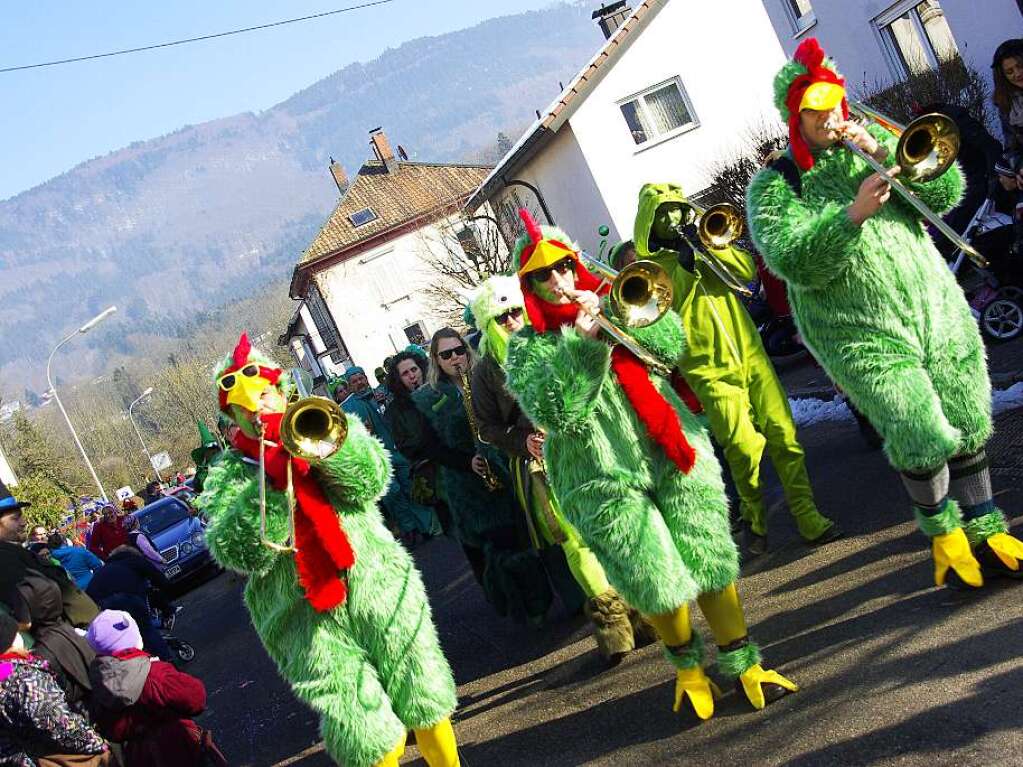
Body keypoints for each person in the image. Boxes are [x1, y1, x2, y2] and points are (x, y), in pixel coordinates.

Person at [746, 38, 1023, 588]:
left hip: (930, 302)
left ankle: (986, 524)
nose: (830, 118)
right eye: (816, 110)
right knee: (915, 423)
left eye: (835, 105)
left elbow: (945, 192)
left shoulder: (874, 143)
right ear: (794, 116)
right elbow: (791, 260)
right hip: (853, 326)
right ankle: (943, 532)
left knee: (967, 414)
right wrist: (850, 216)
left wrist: (883, 154)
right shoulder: (776, 183)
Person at [505, 211, 797, 719]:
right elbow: (559, 410)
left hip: (671, 444)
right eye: (543, 276)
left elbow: (670, 346)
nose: (559, 281)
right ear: (529, 285)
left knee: (709, 552)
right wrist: (584, 344)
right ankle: (687, 667)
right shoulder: (526, 348)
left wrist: (616, 317)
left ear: (577, 266)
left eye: (564, 268)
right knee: (651, 574)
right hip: (599, 475)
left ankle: (744, 662)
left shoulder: (616, 298)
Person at [196, 333, 460, 767]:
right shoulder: (228, 475)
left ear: (279, 391)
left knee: (423, 692)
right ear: (233, 418)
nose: (258, 408)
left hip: (376, 579)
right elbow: (239, 552)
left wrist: (321, 450)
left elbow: (372, 479)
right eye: (246, 406)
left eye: (264, 395)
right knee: (366, 731)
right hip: (303, 616)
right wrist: (271, 482)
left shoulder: (323, 419)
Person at [634, 183, 839, 551]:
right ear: (651, 223)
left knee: (784, 436)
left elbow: (746, 272)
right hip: (708, 371)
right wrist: (683, 268)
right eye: (663, 214)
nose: (674, 219)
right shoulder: (652, 273)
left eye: (677, 209)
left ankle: (807, 515)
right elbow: (663, 313)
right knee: (743, 448)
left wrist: (712, 249)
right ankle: (755, 517)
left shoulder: (704, 243)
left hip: (752, 355)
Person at [469, 274, 640, 663]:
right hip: (540, 464)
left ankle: (639, 608)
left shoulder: (548, 335)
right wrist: (521, 440)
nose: (512, 320)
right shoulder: (486, 371)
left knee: (609, 525)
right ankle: (613, 624)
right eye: (502, 316)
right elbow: (486, 426)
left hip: (583, 446)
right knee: (574, 540)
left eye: (515, 310)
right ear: (487, 323)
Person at [408, 327, 553, 626]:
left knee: (529, 536)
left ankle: (543, 599)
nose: (455, 358)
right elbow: (430, 445)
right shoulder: (427, 396)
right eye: (446, 354)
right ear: (436, 359)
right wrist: (467, 461)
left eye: (459, 350)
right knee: (501, 547)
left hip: (506, 467)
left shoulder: (483, 377)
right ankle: (524, 606)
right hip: (468, 483)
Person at [86, 610, 226, 767]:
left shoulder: (101, 685)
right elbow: (196, 697)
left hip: (140, 756)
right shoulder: (155, 674)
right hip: (181, 747)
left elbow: (110, 729)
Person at [0, 612, 114, 767]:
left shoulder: (5, 671)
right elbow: (57, 723)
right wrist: (96, 742)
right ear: (9, 642)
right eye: (16, 634)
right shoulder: (24, 680)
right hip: (42, 757)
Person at [340, 364, 438, 542]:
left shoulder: (383, 393)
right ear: (349, 386)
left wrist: (387, 400)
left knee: (412, 487)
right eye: (355, 381)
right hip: (377, 458)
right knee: (393, 493)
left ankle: (427, 526)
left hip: (399, 450)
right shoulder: (347, 408)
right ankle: (409, 528)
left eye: (361, 378)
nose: (360, 383)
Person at [0, 481, 99, 629]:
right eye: (15, 518)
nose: (24, 522)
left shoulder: (18, 552)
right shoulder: (5, 561)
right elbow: (24, 620)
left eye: (22, 516)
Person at [6, 573, 96, 712]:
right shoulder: (67, 629)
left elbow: (19, 673)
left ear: (34, 611)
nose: (13, 612)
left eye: (18, 608)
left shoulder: (42, 653)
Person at [384, 350, 449, 542]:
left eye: (414, 369)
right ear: (399, 380)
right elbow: (405, 445)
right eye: (405, 373)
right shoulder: (396, 410)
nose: (412, 375)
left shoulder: (439, 389)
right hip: (434, 476)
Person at [85, 545, 175, 662]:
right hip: (128, 598)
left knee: (120, 637)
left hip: (105, 606)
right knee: (146, 629)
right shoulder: (134, 561)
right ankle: (166, 660)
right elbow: (159, 579)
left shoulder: (104, 570)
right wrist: (168, 601)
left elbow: (90, 593)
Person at [992, 38, 1023, 152]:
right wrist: (1020, 166)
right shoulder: (1007, 106)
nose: (1018, 74)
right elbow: (1012, 150)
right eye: (1010, 72)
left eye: (1020, 66)